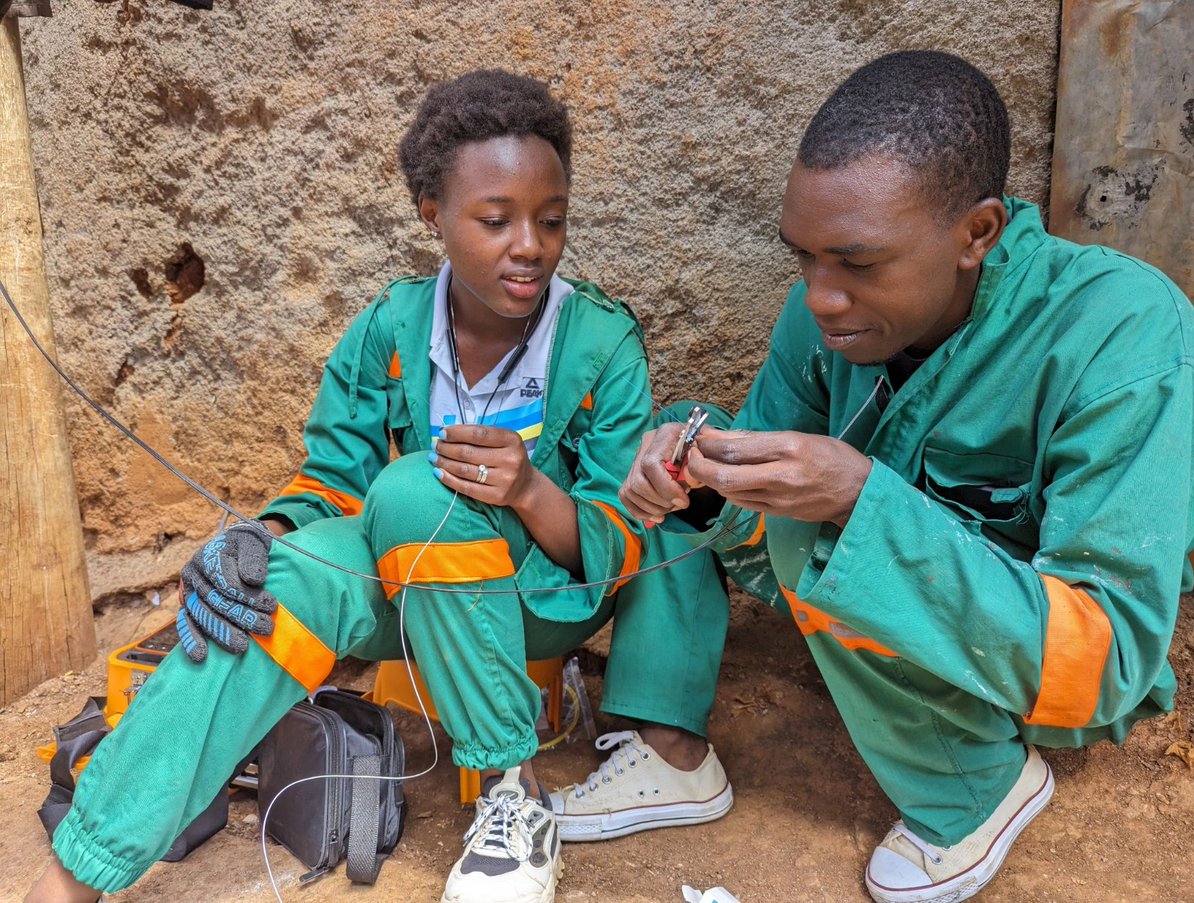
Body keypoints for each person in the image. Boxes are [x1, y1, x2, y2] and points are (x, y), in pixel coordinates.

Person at [26, 70, 733, 903]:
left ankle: (513, 794)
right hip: (403, 601)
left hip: (541, 601)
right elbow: (332, 481)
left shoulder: (600, 340)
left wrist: (532, 490)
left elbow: (617, 545)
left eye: (552, 219)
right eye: (495, 220)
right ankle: (80, 870)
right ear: (432, 214)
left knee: (409, 490)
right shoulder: (388, 331)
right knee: (269, 588)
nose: (530, 246)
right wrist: (266, 538)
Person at [619, 50, 1194, 903]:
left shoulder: (1126, 335)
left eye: (856, 263)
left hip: (1050, 674)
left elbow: (1106, 662)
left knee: (830, 531)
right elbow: (760, 509)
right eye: (805, 259)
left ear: (978, 233)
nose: (819, 297)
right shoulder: (822, 316)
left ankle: (975, 787)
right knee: (691, 439)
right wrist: (698, 481)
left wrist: (858, 499)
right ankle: (663, 735)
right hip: (912, 619)